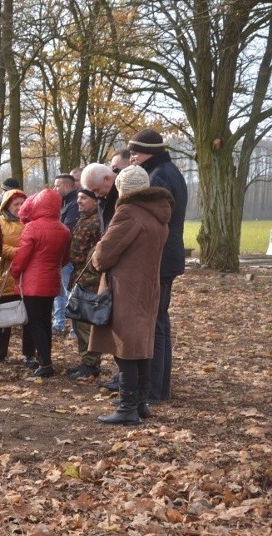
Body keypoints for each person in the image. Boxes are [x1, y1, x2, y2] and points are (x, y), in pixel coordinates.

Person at [91, 165, 173, 424]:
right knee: (143, 345)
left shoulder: (128, 212)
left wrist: (97, 253)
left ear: (122, 189)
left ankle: (127, 407)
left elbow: (103, 256)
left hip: (127, 288)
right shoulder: (159, 213)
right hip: (149, 286)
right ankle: (140, 403)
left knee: (125, 347)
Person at [128, 128, 188, 404]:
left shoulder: (159, 175)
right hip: (168, 256)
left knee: (156, 323)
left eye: (135, 153)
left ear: (148, 153)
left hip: (161, 258)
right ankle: (157, 388)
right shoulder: (168, 170)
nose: (132, 159)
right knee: (159, 321)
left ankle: (154, 389)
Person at [10, 189, 71, 377]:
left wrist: (15, 272)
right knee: (45, 322)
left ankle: (45, 364)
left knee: (35, 324)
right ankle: (45, 359)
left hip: (33, 282)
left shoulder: (33, 227)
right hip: (52, 280)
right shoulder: (64, 229)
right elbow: (64, 259)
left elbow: (21, 256)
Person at [0, 188, 36, 366]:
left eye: (22, 204)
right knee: (3, 317)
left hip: (28, 276)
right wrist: (18, 253)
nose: (19, 207)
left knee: (29, 318)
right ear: (7, 205)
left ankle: (29, 354)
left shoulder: (31, 222)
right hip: (5, 274)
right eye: (15, 204)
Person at [65, 188, 103, 380]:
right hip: (78, 276)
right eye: (78, 198)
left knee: (87, 322)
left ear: (95, 201)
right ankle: (85, 362)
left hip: (91, 279)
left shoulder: (98, 221)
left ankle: (91, 364)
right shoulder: (83, 219)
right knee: (79, 321)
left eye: (84, 198)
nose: (79, 201)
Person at [52, 173, 79, 337]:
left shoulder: (74, 204)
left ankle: (75, 328)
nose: (55, 189)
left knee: (69, 292)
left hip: (68, 256)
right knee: (59, 292)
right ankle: (59, 324)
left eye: (57, 186)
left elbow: (67, 229)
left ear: (67, 187)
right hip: (61, 256)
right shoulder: (63, 203)